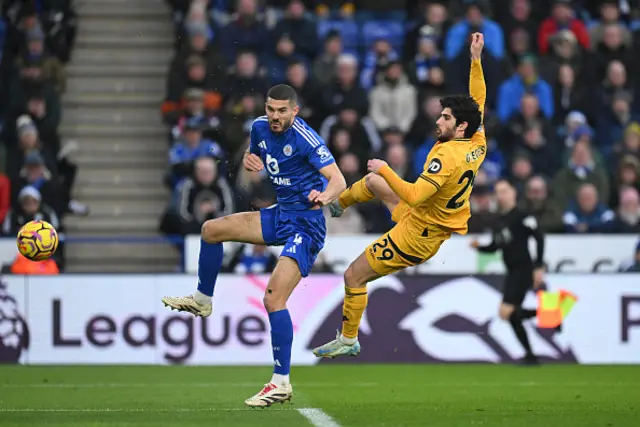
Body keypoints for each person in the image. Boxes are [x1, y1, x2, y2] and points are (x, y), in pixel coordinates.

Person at [161, 85, 346, 407]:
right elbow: (257, 153)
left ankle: (281, 382)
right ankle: (203, 300)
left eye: (282, 111)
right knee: (211, 230)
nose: (275, 116)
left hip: (307, 224)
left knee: (274, 298)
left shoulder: (306, 138)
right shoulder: (259, 127)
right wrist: (250, 160)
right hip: (280, 214)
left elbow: (338, 180)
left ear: (295, 111)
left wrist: (325, 197)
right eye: (271, 109)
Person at [312, 33, 488, 359]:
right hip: (424, 221)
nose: (438, 120)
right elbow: (478, 99)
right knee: (374, 182)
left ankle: (349, 339)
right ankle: (336, 204)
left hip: (415, 236)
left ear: (459, 126)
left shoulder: (445, 157)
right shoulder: (476, 140)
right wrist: (475, 60)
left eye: (445, 118)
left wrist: (387, 166)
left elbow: (416, 194)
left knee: (353, 275)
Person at [470, 179, 545, 365]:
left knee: (505, 312)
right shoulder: (499, 221)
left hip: (523, 269)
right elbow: (496, 246)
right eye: (498, 192)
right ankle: (531, 355)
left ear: (513, 192)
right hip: (512, 270)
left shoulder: (522, 215)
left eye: (504, 191)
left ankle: (549, 315)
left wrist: (538, 266)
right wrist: (480, 247)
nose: (501, 195)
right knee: (512, 316)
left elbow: (539, 238)